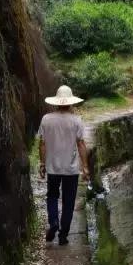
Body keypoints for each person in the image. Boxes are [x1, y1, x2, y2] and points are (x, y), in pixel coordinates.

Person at [38, 85, 90, 245]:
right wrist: (85, 167)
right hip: (71, 168)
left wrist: (42, 163)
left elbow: (42, 144)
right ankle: (63, 236)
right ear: (70, 103)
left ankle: (54, 221)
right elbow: (81, 144)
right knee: (68, 202)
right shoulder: (76, 120)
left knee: (52, 196)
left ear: (56, 102)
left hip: (53, 167)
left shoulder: (46, 119)